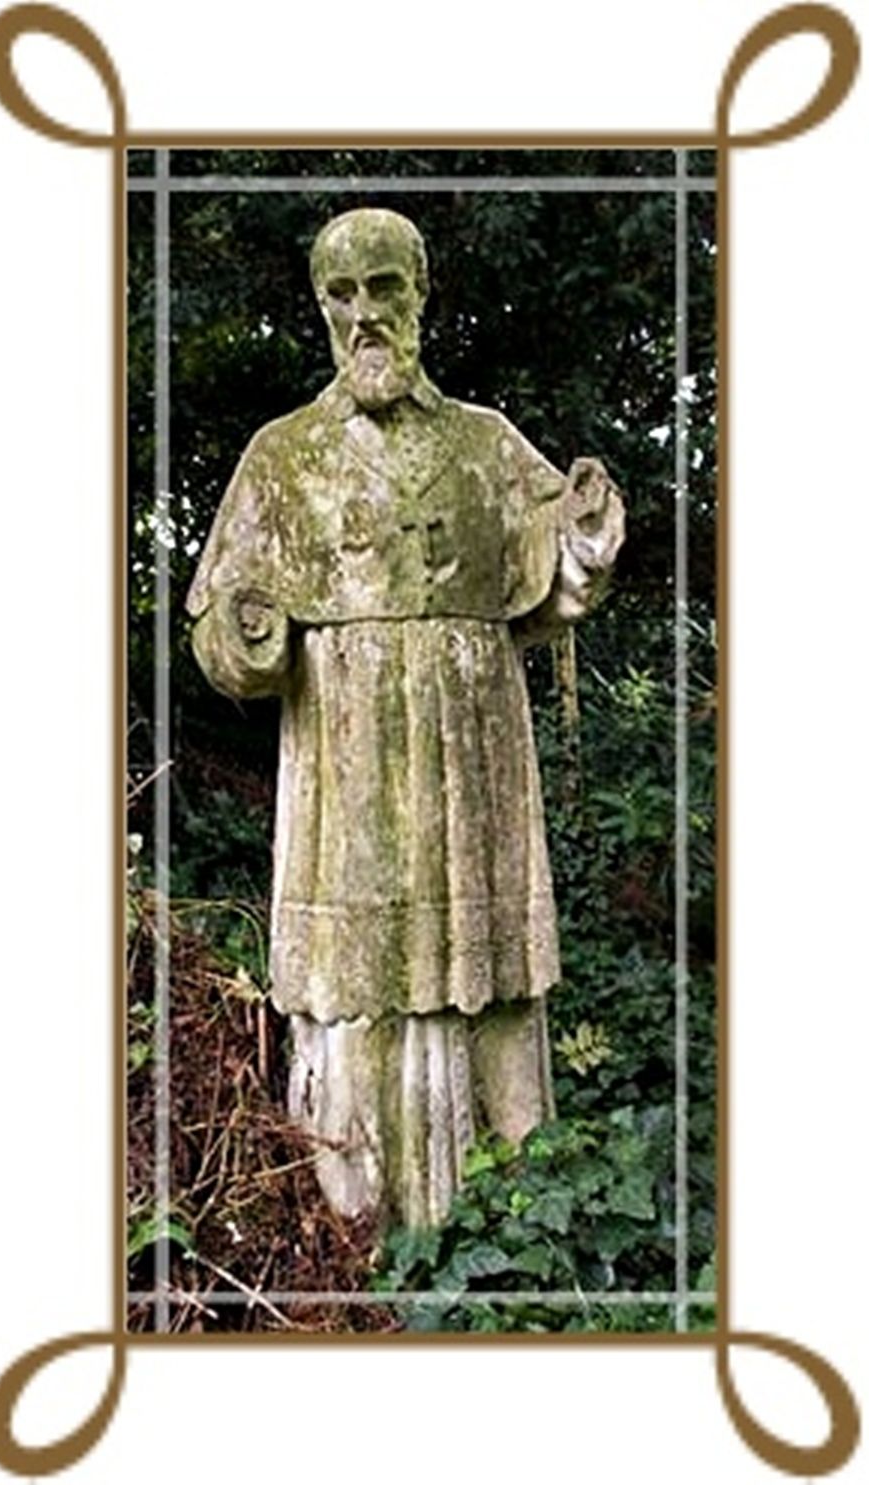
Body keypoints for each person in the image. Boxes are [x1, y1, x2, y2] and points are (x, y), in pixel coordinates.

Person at [186, 207, 625, 1227]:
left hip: (474, 751)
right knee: (356, 990)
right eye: (340, 295)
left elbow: (551, 567)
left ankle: (509, 1211)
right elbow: (219, 629)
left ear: (421, 293)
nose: (364, 314)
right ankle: (359, 1221)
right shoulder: (283, 455)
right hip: (347, 764)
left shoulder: (484, 442)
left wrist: (581, 534)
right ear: (320, 307)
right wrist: (250, 634)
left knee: (490, 982)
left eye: (384, 288)